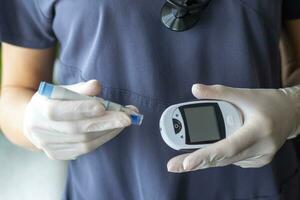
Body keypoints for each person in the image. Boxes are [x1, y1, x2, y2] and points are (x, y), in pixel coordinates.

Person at [0, 0, 300, 199]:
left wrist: (294, 108)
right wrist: (29, 122)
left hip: (259, 186)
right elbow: (15, 89)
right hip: (107, 187)